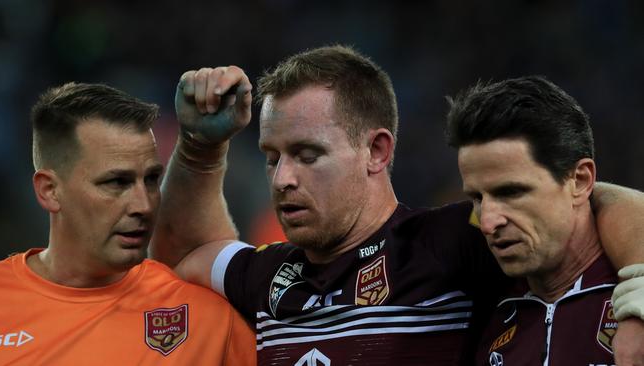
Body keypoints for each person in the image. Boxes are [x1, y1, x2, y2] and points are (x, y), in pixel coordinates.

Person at [152, 46, 644, 365]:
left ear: (377, 151)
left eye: (307, 155)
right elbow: (182, 252)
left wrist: (642, 286)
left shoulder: (452, 240)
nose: (283, 179)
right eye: (271, 158)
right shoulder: (270, 274)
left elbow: (583, 202)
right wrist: (198, 146)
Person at [0, 82, 255, 365]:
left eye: (152, 179)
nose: (143, 206)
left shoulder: (206, 320)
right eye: (117, 182)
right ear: (49, 191)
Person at [446, 75, 627, 365]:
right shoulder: (476, 307)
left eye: (512, 191)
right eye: (477, 198)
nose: (488, 223)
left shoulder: (631, 301)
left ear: (579, 181)